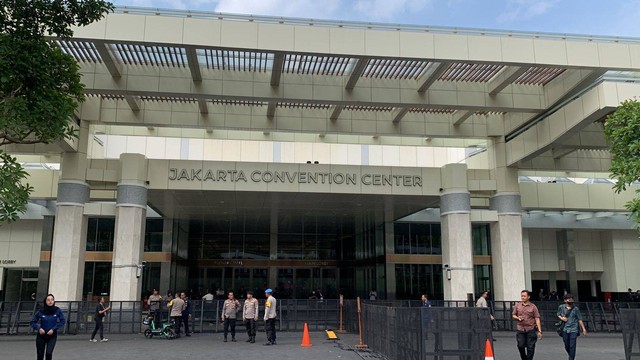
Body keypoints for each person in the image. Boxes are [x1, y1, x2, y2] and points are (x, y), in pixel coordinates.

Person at [30, 294, 66, 360]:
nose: (50, 301)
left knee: (49, 353)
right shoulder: (40, 311)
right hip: (41, 335)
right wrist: (39, 328)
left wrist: (53, 329)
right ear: (45, 301)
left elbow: (62, 321)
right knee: (40, 354)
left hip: (52, 335)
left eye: (52, 300)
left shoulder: (57, 310)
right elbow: (32, 322)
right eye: (48, 300)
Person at [512, 290, 542, 360]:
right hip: (520, 329)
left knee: (530, 347)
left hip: (530, 329)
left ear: (528, 297)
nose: (522, 297)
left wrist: (539, 331)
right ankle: (524, 358)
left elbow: (537, 318)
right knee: (520, 346)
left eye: (524, 296)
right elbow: (513, 315)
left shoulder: (533, 306)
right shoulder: (518, 305)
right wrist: (517, 317)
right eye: (522, 296)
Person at [557, 293, 587, 360]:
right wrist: (562, 318)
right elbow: (558, 314)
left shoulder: (576, 309)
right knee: (566, 345)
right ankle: (571, 355)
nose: (570, 300)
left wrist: (583, 329)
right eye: (569, 299)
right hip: (565, 328)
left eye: (571, 299)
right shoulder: (561, 307)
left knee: (572, 345)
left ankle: (571, 358)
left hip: (574, 329)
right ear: (565, 300)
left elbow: (579, 319)